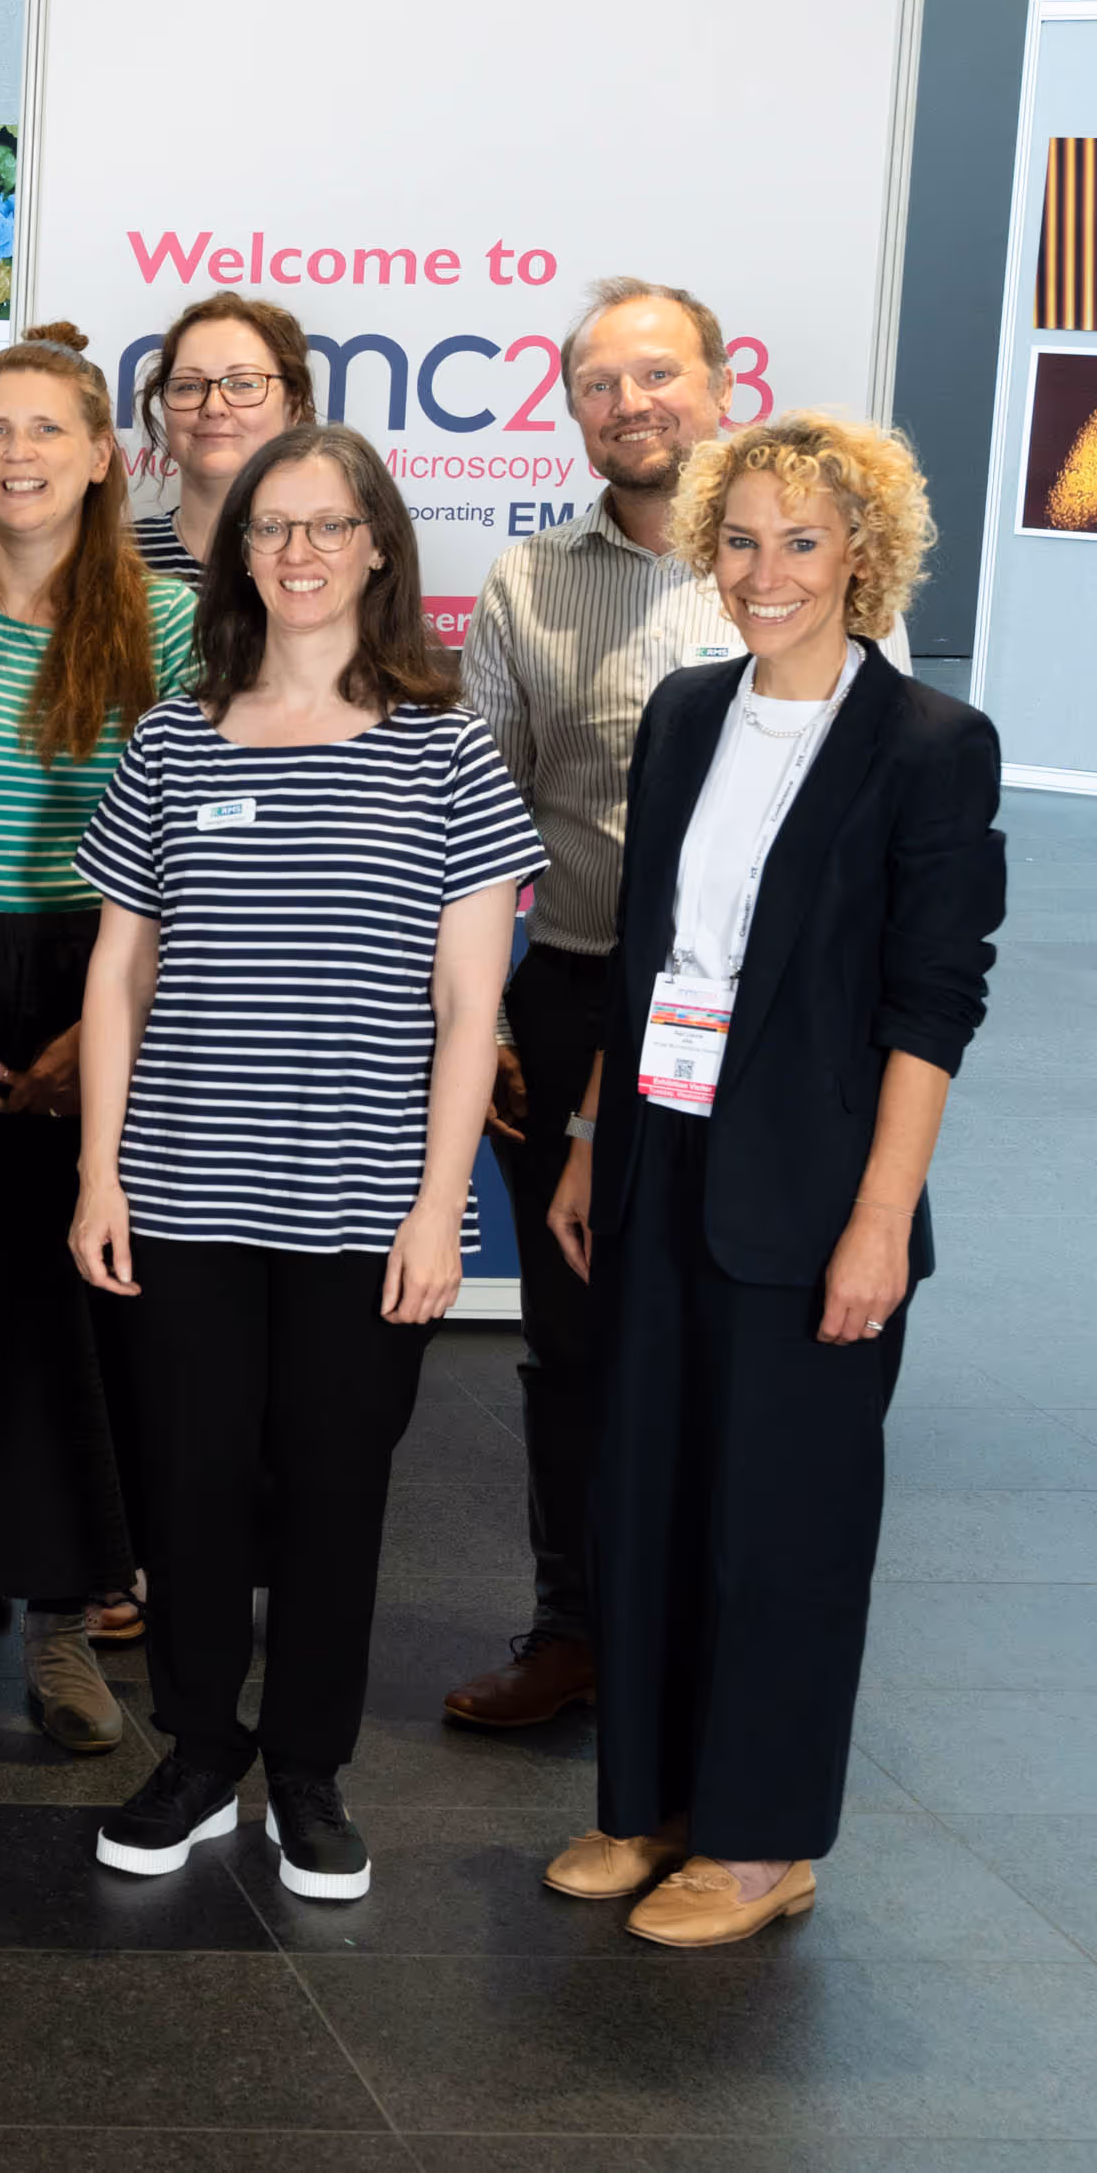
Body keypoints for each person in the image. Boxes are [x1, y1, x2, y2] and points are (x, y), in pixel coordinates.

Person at [540, 413, 1001, 1946]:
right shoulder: (685, 711)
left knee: (783, 1521)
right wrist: (594, 1133)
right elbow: (649, 950)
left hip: (814, 1182)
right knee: (649, 1491)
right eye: (740, 539)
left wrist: (881, 1221)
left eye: (801, 539)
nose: (765, 570)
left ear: (864, 553)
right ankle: (651, 1804)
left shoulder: (928, 743)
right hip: (660, 1146)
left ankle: (760, 1842)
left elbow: (935, 1002)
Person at [68, 424, 541, 1902]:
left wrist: (440, 1207)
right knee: (192, 1488)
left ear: (379, 544)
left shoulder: (446, 745)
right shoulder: (174, 735)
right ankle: (200, 1751)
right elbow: (119, 974)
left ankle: (309, 1773)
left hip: (362, 1201)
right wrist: (98, 1173)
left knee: (336, 1493)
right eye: (272, 526)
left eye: (330, 524)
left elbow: (469, 1005)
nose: (299, 551)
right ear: (239, 552)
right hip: (184, 1190)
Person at [446, 279, 906, 1737]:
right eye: (598, 382)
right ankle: (577, 1628)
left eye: (657, 375)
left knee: (735, 1337)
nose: (629, 403)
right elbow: (477, 819)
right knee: (577, 1337)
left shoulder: (802, 571)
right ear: (571, 409)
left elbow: (886, 837)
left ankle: (710, 1651)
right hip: (585, 1000)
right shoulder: (528, 582)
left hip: (770, 1034)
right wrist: (494, 1024)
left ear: (718, 384)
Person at [0, 323, 197, 1749]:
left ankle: (66, 1621)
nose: (16, 453)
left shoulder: (172, 627)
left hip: (103, 974)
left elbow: (191, 849)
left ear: (102, 458)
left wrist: (101, 1023)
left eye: (45, 430)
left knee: (84, 1316)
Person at [129, 293, 317, 585]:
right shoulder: (109, 560)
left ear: (293, 407)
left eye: (243, 384)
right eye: (188, 386)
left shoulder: (331, 565)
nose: (213, 407)